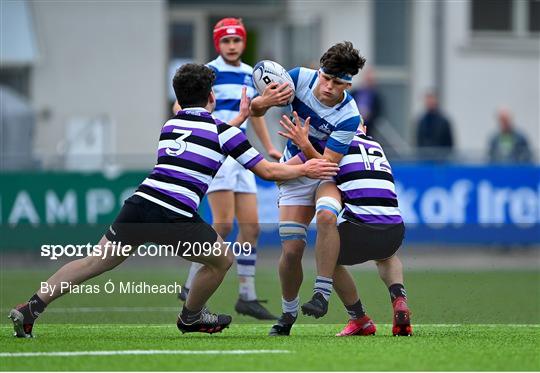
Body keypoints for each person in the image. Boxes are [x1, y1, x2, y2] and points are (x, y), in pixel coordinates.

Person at [8, 63, 339, 338]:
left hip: (140, 204)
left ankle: (30, 308)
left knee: (94, 261)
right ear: (211, 96)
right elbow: (267, 171)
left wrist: (239, 118)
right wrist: (307, 166)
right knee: (221, 260)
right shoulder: (224, 132)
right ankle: (191, 317)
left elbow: (208, 132)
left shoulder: (172, 124)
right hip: (175, 213)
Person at [250, 41, 366, 335]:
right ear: (319, 70)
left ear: (348, 85)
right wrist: (262, 103)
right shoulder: (299, 78)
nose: (328, 87)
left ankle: (321, 294)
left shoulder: (349, 116)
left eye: (338, 83)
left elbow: (327, 164)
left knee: (327, 215)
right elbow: (255, 109)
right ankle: (288, 314)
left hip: (325, 173)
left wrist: (304, 144)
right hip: (295, 174)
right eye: (326, 78)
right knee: (291, 251)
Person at [174, 18, 282, 320]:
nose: (232, 46)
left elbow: (254, 114)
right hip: (218, 152)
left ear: (244, 43)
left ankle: (246, 295)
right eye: (226, 41)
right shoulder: (208, 73)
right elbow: (181, 108)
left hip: (241, 152)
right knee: (222, 225)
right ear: (216, 43)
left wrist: (269, 146)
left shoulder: (251, 75)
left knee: (251, 227)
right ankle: (190, 283)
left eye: (236, 41)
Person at [279, 111, 413, 336]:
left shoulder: (332, 144)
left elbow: (283, 175)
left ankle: (359, 318)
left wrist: (303, 146)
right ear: (365, 129)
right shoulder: (375, 145)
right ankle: (399, 297)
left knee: (329, 257)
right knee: (387, 257)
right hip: (394, 229)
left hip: (361, 229)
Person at [415, 91, 454, 160]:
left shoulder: (444, 122)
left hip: (440, 161)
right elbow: (418, 142)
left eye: (431, 100)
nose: (429, 103)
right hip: (424, 160)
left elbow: (449, 144)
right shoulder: (421, 122)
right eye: (428, 100)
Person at [349, 67, 383, 135]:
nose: (369, 81)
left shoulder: (376, 96)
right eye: (368, 79)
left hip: (368, 127)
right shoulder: (355, 92)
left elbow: (379, 112)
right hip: (353, 125)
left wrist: (369, 115)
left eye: (371, 79)